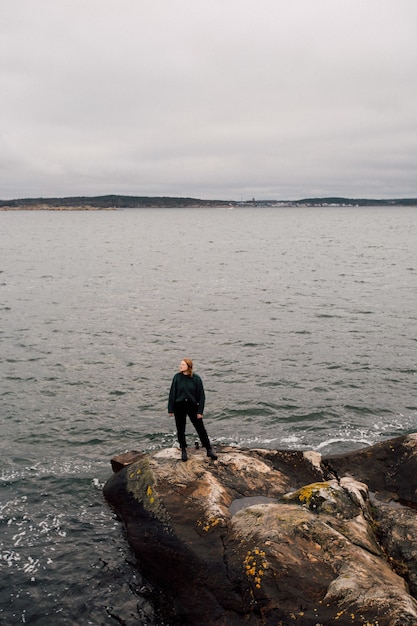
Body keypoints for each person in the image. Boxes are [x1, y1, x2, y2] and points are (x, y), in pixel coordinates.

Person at [168, 358, 217, 462]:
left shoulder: (196, 378)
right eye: (180, 364)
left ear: (188, 366)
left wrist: (200, 411)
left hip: (192, 406)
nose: (180, 366)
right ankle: (184, 450)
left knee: (200, 428)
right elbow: (172, 393)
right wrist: (170, 408)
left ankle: (208, 449)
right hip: (179, 405)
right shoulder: (177, 377)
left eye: (182, 364)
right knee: (180, 429)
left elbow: (201, 396)